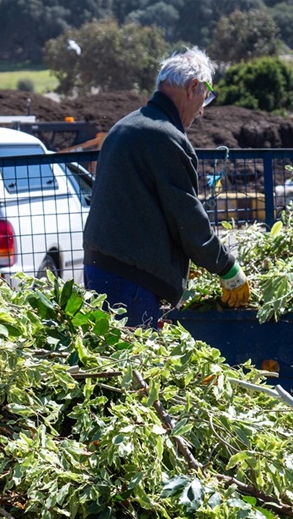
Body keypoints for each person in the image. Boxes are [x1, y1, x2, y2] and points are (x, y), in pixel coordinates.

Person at [82, 47, 250, 327]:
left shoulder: (126, 126)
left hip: (103, 268)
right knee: (137, 364)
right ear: (193, 87)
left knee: (114, 361)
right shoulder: (163, 136)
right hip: (131, 278)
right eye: (205, 97)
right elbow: (186, 218)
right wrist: (226, 267)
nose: (202, 110)